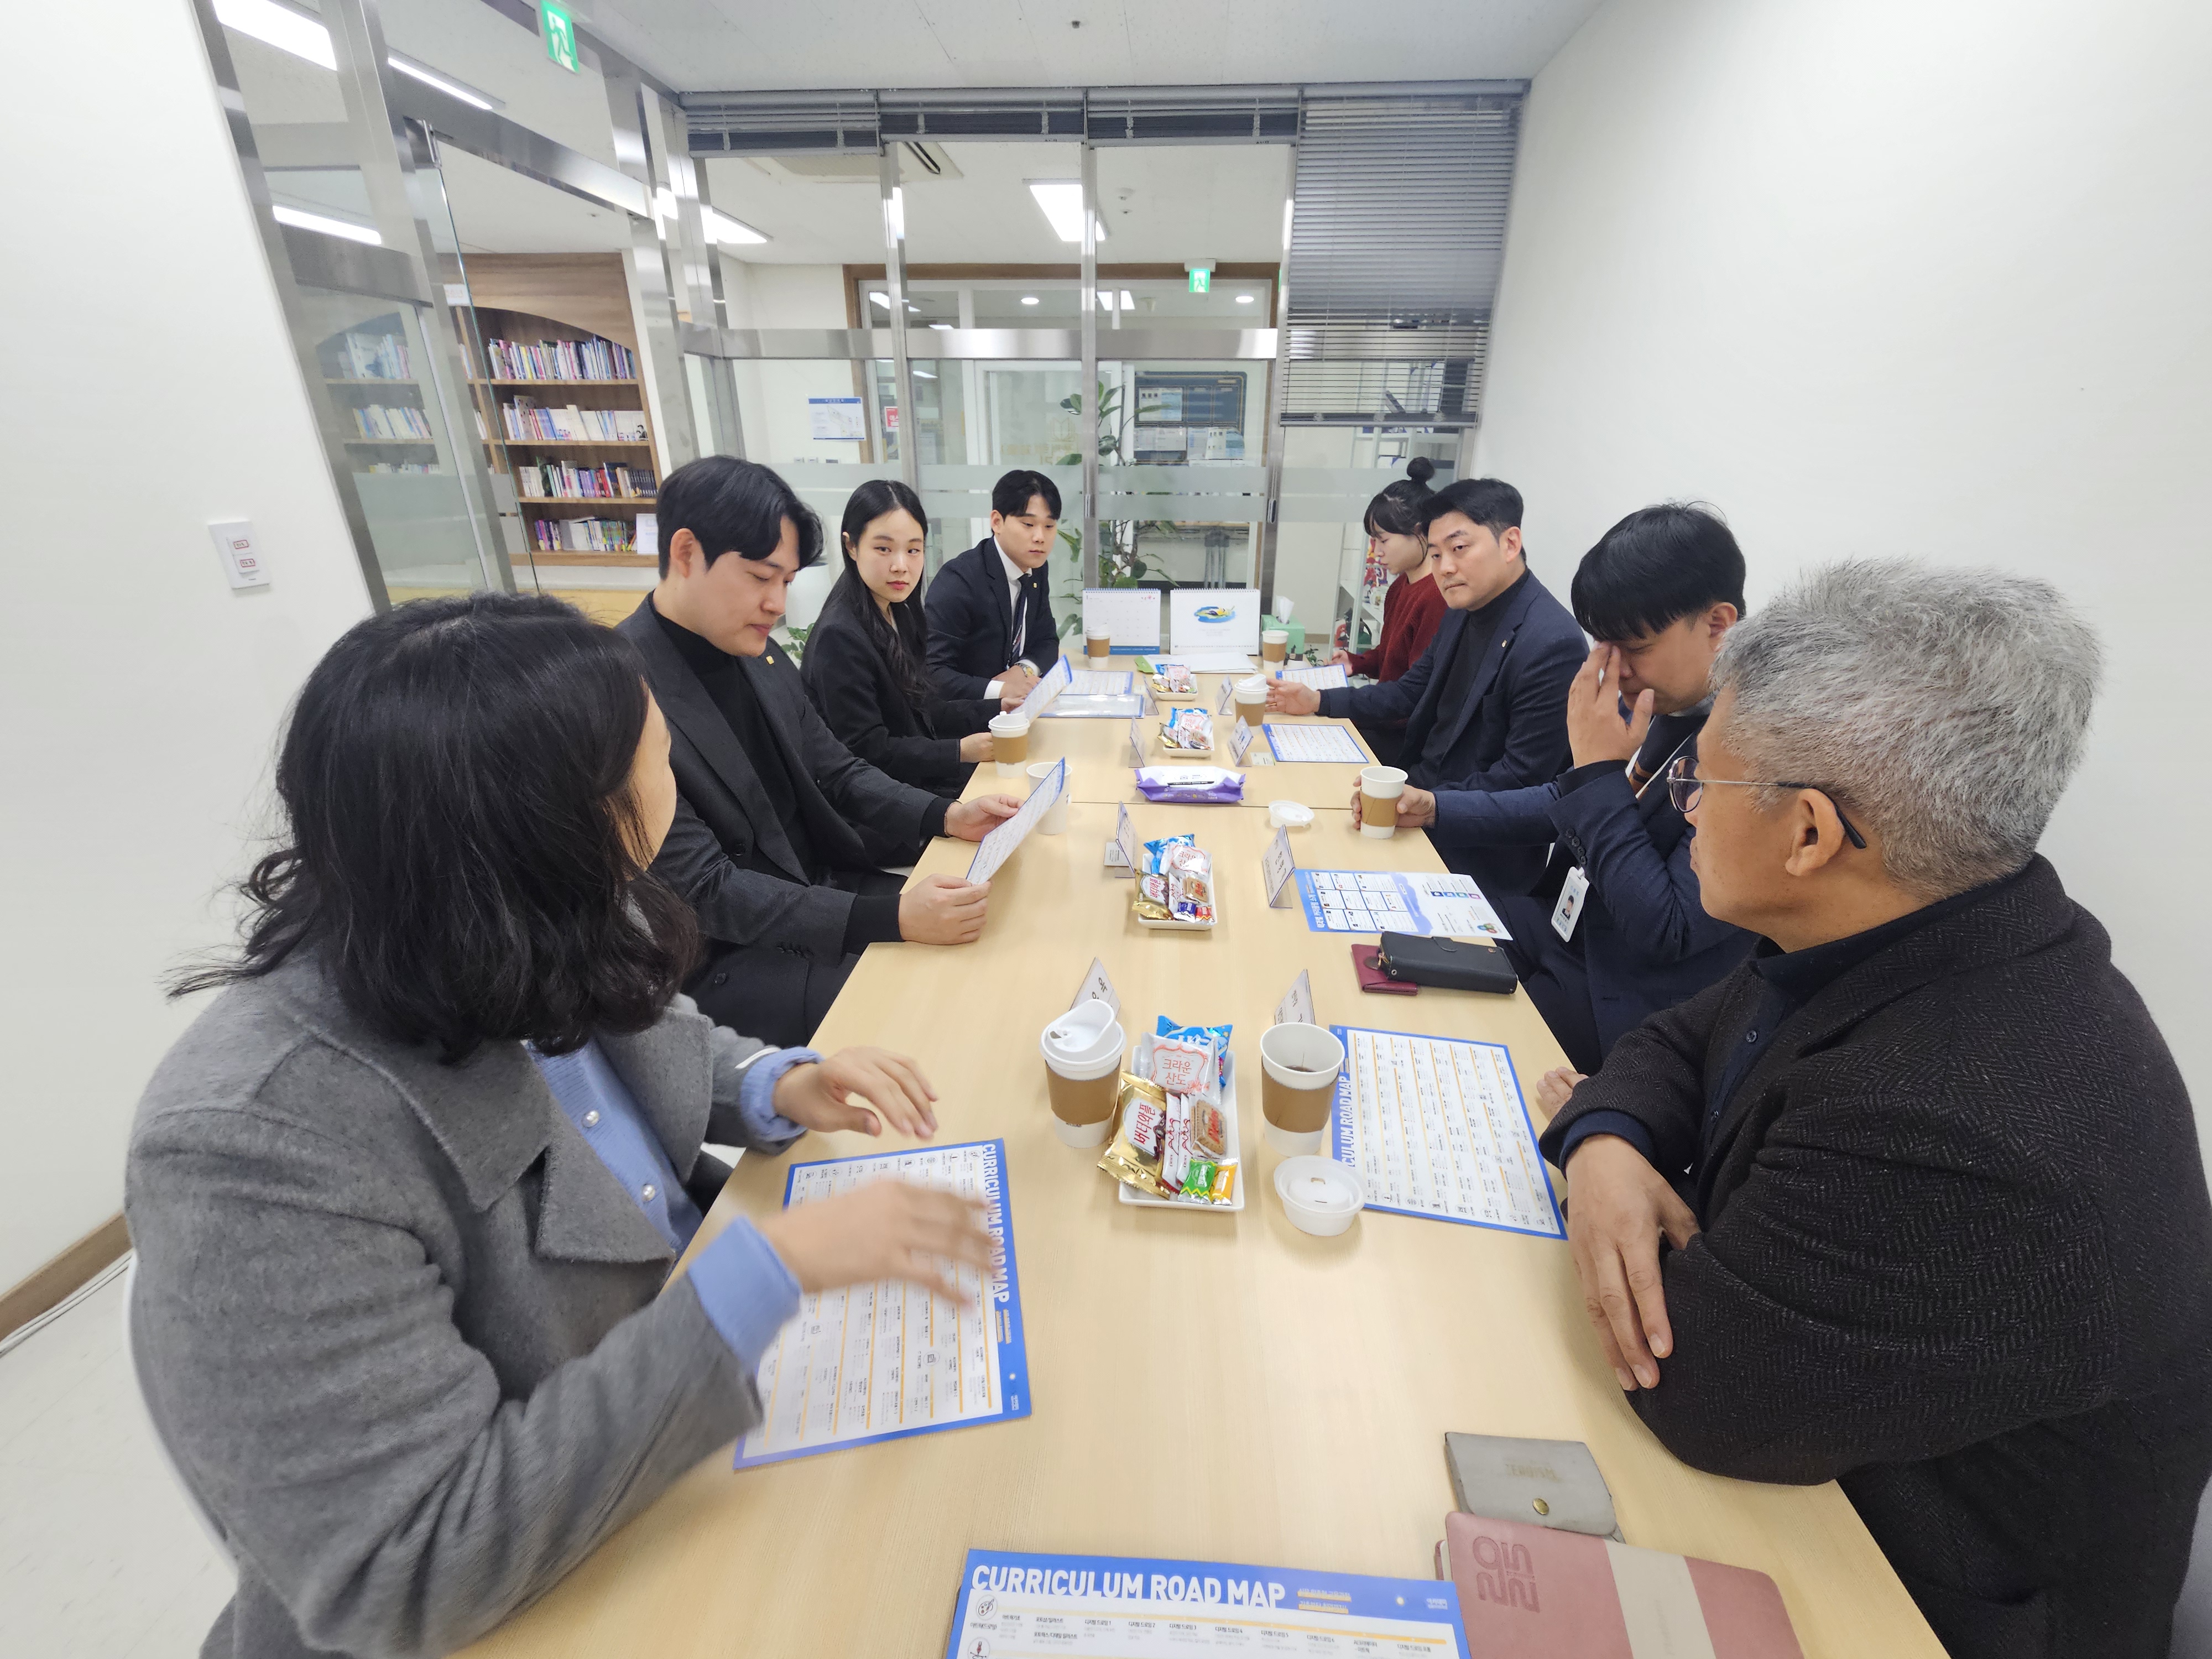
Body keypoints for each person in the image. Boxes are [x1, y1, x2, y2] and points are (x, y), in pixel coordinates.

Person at [128, 593, 994, 1659]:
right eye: (661, 762)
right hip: (546, 1578)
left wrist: (771, 1082)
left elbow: (636, 1035)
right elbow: (409, 1568)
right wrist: (767, 1271)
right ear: (568, 817)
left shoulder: (520, 895)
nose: (675, 788)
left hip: (682, 1413)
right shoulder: (252, 1145)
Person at [1537, 560, 2212, 1659]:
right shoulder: (1925, 918)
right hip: (1837, 1465)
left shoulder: (1963, 1121)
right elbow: (1674, 1040)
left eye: (1699, 781)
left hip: (1920, 1599)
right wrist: (1606, 1143)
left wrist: (1602, 1153)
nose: (1683, 806)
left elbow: (1699, 1385)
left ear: (1808, 832)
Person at [616, 457, 1020, 1052]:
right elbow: (709, 890)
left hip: (821, 887)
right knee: (936, 1016)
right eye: (762, 578)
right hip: (734, 955)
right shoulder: (623, 691)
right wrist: (891, 918)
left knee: (995, 924)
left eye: (786, 581)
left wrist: (947, 816)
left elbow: (839, 768)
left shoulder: (757, 652)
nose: (777, 604)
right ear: (685, 553)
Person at [1395, 504, 1755, 1077]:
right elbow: (1566, 802)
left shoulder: (1754, 749)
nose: (1615, 670)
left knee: (1434, 1047)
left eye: (1635, 647)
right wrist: (1436, 807)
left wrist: (1597, 773)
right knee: (1401, 927)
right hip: (1561, 927)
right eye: (1604, 646)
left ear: (1717, 625)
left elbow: (1668, 928)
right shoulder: (1670, 700)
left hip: (1618, 993)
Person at [1271, 476, 1585, 898]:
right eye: (1436, 554)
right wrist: (1319, 701)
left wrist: (1430, 805)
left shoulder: (1552, 643)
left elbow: (1521, 781)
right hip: (1418, 802)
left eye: (1460, 548)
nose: (1445, 568)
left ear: (1510, 544)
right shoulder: (1462, 609)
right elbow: (1409, 691)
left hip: (1474, 848)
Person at [801, 481, 1003, 799]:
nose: (901, 566)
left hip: (913, 780)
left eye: (913, 550)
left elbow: (923, 707)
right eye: (884, 549)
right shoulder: (839, 636)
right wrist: (959, 751)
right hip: (881, 802)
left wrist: (999, 708)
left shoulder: (899, 609)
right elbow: (867, 751)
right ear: (851, 546)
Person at [1332, 457, 1448, 765]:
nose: (1376, 551)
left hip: (1404, 736)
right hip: (1385, 718)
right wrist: (1356, 663)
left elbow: (1414, 693)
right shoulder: (1401, 586)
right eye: (1373, 540)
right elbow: (1391, 654)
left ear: (1421, 533)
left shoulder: (1437, 597)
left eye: (1383, 540)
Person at [925, 468, 1063, 703]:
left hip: (1018, 708)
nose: (1040, 537)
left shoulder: (1036, 568)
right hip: (966, 716)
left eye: (1049, 526)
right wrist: (1000, 690)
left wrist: (1022, 671)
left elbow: (1047, 642)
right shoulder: (959, 580)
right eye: (1028, 524)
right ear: (997, 522)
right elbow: (933, 673)